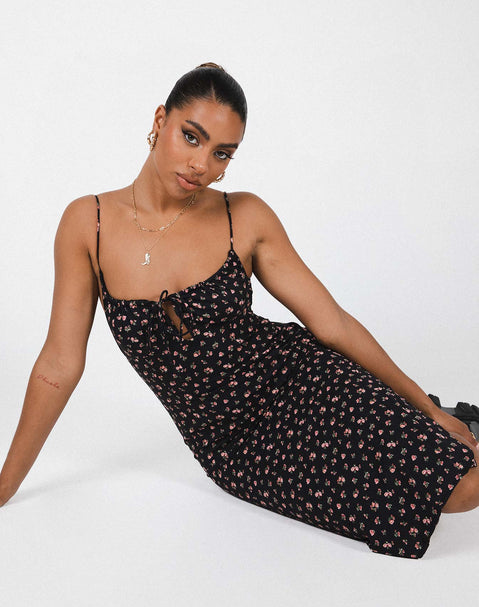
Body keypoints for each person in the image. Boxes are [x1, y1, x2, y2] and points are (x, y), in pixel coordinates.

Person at [1, 62, 478, 559]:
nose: (201, 164)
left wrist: (425, 408)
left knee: (464, 487)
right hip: (233, 449)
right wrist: (6, 484)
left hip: (305, 380)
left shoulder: (242, 215)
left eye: (221, 153)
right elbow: (59, 364)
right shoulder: (88, 223)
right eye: (191, 137)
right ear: (160, 120)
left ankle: (433, 413)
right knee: (437, 496)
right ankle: (436, 419)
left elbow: (331, 324)